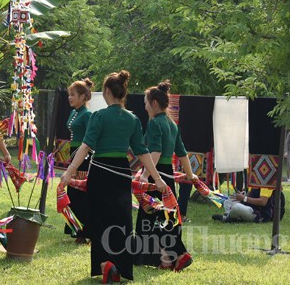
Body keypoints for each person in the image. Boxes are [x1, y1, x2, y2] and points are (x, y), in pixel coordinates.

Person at [60, 70, 167, 283]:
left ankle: (105, 263)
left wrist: (69, 171)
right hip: (121, 172)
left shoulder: (99, 116)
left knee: (99, 217)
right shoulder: (133, 119)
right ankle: (119, 265)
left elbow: (85, 146)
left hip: (100, 170)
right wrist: (158, 178)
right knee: (121, 219)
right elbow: (142, 152)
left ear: (107, 92)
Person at [134, 80, 196, 271]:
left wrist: (145, 175)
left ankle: (175, 255)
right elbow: (182, 151)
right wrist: (190, 174)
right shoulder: (171, 124)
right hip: (166, 175)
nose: (144, 107)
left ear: (154, 103)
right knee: (166, 217)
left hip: (156, 177)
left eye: (145, 103)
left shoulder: (154, 124)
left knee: (148, 220)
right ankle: (168, 259)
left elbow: (156, 152)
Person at [64, 77, 94, 244]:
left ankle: (85, 232)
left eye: (73, 94)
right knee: (72, 194)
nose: (70, 97)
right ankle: (75, 229)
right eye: (69, 94)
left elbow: (89, 140)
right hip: (73, 153)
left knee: (80, 194)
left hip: (83, 157)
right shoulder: (74, 112)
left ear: (83, 97)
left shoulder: (88, 114)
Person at [212, 187, 285, 223]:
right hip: (251, 207)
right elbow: (249, 196)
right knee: (228, 201)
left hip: (261, 214)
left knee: (237, 208)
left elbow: (263, 202)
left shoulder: (266, 181)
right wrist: (241, 197)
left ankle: (227, 218)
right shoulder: (255, 179)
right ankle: (232, 216)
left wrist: (244, 198)